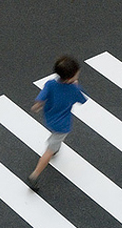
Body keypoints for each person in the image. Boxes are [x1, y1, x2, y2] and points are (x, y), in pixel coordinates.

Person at [26, 55, 87, 191]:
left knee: (55, 139)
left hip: (49, 118)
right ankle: (34, 175)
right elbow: (82, 100)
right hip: (62, 125)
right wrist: (76, 85)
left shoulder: (50, 84)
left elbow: (40, 101)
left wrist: (36, 107)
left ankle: (55, 147)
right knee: (50, 148)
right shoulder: (74, 89)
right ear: (71, 77)